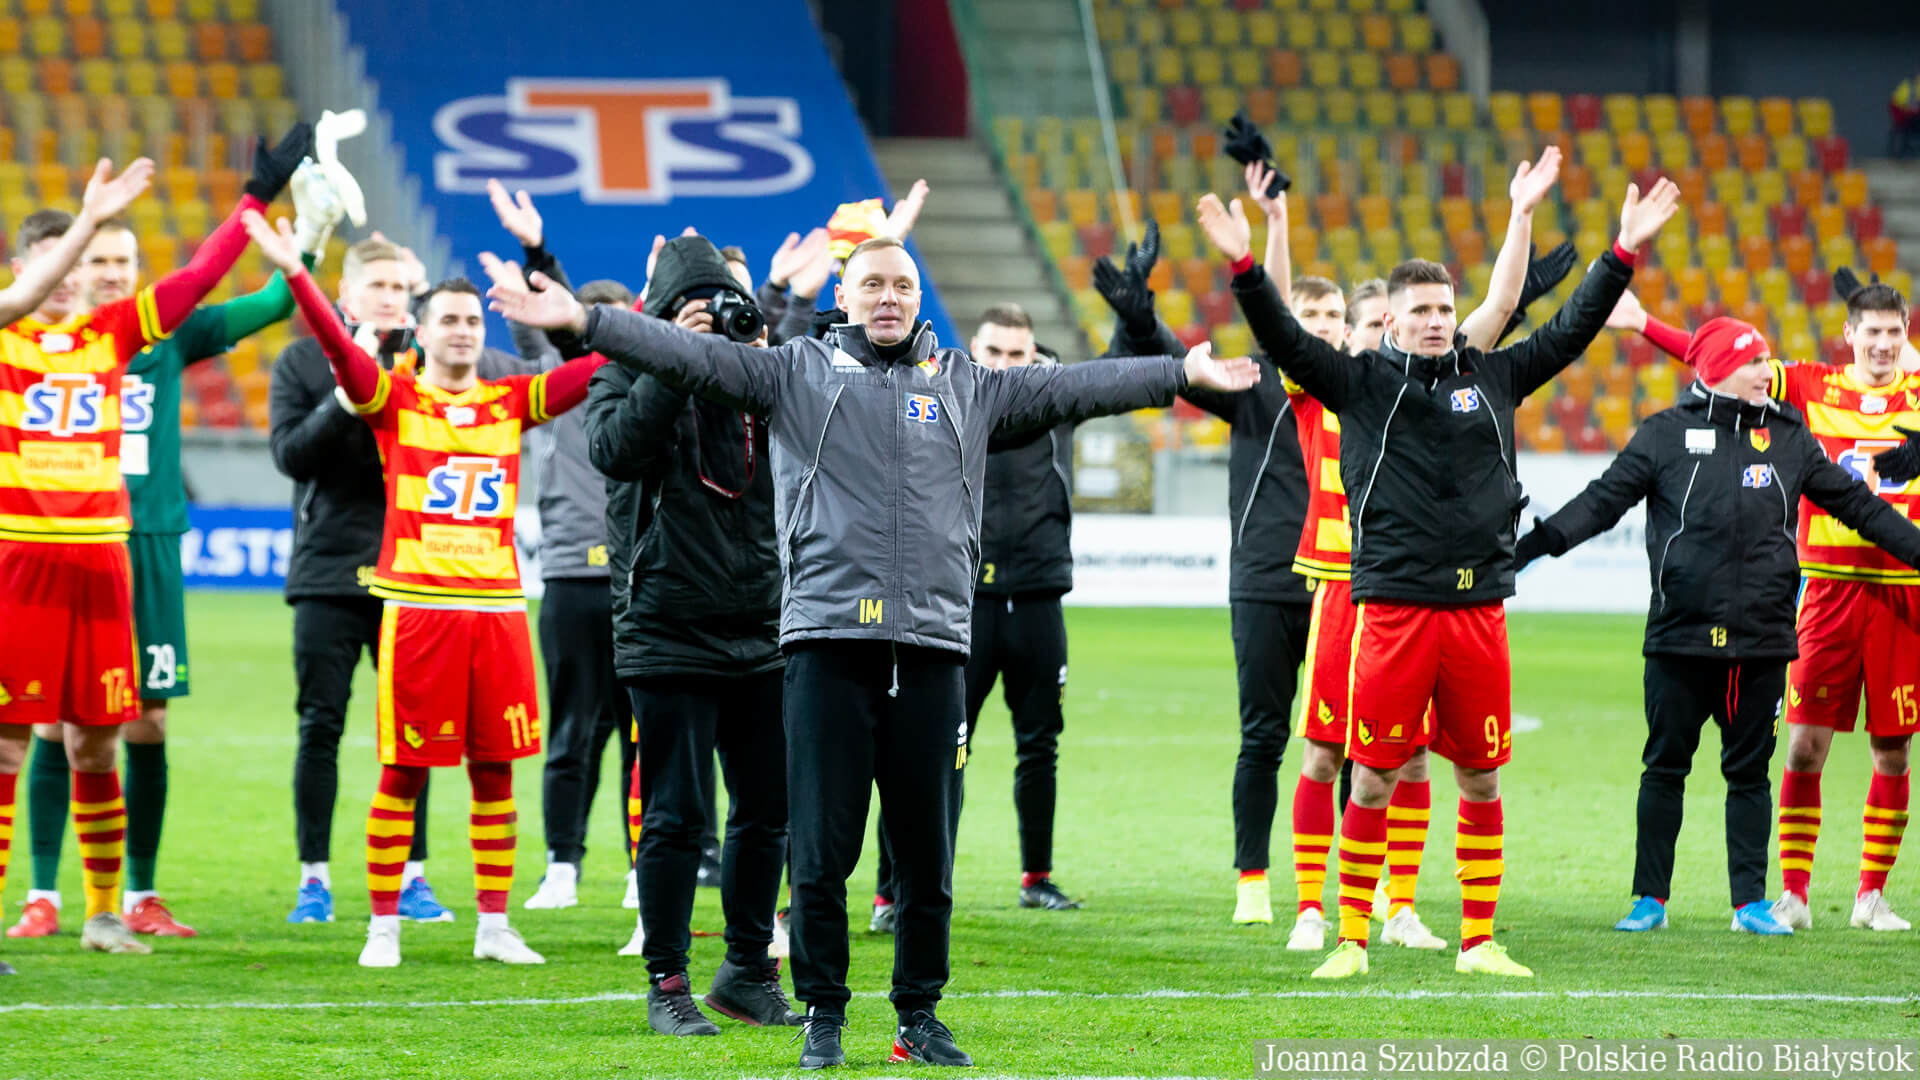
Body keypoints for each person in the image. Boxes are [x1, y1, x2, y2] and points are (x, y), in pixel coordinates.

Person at [488, 234, 1258, 1069]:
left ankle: (918, 1017)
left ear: (918, 298)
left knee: (927, 854)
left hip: (932, 645)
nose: (889, 297)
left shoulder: (965, 383)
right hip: (825, 643)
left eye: (902, 284)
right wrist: (588, 322)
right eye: (872, 285)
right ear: (845, 298)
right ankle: (823, 1015)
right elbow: (685, 354)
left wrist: (1178, 372)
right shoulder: (794, 372)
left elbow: (1071, 386)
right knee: (821, 852)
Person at [1203, 171, 1681, 979]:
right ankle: (1351, 939)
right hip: (1391, 612)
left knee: (1482, 778)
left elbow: (1570, 330)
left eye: (1443, 309)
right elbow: (1283, 340)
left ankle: (1479, 941)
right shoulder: (1358, 384)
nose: (1434, 321)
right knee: (1373, 778)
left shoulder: (1490, 376)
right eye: (1419, 310)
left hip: (1478, 612)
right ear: (1390, 320)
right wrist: (1246, 267)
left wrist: (1623, 253)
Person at [249, 209, 605, 967]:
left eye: (473, 320)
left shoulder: (512, 402)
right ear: (423, 326)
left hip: (499, 613)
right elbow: (341, 355)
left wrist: (625, 315)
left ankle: (493, 926)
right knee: (404, 770)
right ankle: (383, 927)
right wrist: (298, 274)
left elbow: (598, 365)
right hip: (419, 612)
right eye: (448, 319)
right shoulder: (395, 401)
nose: (463, 331)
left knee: (495, 770)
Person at [1516, 318, 1920, 933]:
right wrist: (1532, 546)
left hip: (1761, 641)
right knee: (1664, 769)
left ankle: (1750, 903)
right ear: (1716, 369)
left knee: (1750, 774)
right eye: (1753, 361)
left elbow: (1859, 507)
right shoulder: (1664, 434)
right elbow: (1601, 504)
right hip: (1679, 636)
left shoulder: (1790, 437)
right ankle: (1649, 900)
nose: (1766, 372)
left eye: (1765, 360)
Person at [0, 140, 295, 965]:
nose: (67, 277)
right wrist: (86, 222)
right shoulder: (5, 340)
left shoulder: (115, 336)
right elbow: (18, 300)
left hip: (103, 565)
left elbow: (199, 278)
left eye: (77, 264)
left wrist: (256, 195)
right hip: (20, 561)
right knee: (8, 745)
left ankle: (104, 915)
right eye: (56, 263)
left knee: (99, 742)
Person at [563, 233, 799, 1036]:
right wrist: (674, 362)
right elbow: (614, 451)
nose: (716, 318)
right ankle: (667, 982)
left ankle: (747, 973)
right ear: (662, 314)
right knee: (675, 813)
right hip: (665, 624)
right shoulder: (625, 370)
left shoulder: (760, 374)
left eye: (728, 305)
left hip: (763, 621)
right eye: (697, 308)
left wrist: (758, 362)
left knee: (767, 810)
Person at [870, 304, 1089, 933]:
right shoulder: (941, 398)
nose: (1005, 365)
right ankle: (893, 893)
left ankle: (1036, 878)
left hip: (1039, 598)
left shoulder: (1053, 403)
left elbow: (1110, 381)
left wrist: (1133, 323)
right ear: (974, 349)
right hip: (960, 605)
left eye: (1018, 355)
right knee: (928, 750)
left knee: (1040, 744)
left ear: (1034, 357)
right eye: (994, 353)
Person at [269, 234, 456, 925]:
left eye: (400, 288)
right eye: (376, 286)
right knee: (320, 725)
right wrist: (349, 395)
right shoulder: (302, 362)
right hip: (326, 572)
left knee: (412, 733)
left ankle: (412, 877)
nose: (389, 298)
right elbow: (291, 455)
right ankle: (313, 880)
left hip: (410, 571)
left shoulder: (426, 366)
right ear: (345, 295)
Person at [478, 180, 637, 912]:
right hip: (575, 575)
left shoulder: (651, 386)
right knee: (576, 730)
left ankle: (634, 871)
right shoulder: (550, 379)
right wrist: (536, 254)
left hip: (637, 578)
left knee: (637, 734)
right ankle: (563, 868)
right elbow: (547, 324)